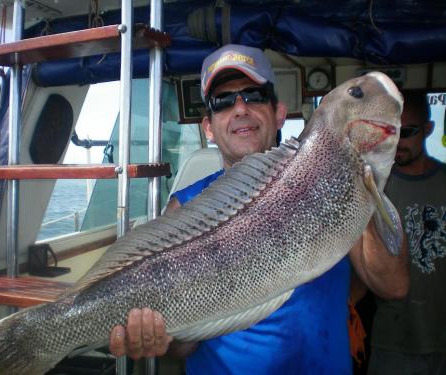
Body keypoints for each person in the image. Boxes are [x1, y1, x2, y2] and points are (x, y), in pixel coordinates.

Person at [109, 44, 409, 373]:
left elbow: (394, 286)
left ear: (279, 112)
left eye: (253, 95)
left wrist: (358, 181)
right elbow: (184, 346)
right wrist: (159, 337)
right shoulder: (185, 205)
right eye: (223, 101)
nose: (240, 108)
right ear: (208, 127)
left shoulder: (330, 191)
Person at [367, 92, 446, 375]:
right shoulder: (374, 189)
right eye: (391, 132)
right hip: (392, 341)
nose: (397, 142)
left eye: (407, 132)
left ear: (428, 130)